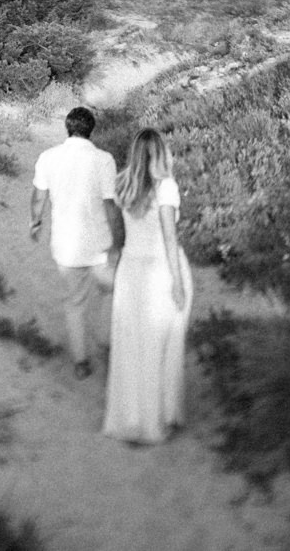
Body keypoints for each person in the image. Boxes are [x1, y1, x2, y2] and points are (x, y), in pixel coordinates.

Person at [103, 127, 193, 444]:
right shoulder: (165, 187)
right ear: (161, 152)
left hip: (131, 270)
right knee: (163, 346)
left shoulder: (122, 183)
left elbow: (119, 233)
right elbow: (170, 238)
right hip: (159, 271)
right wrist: (179, 284)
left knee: (132, 346)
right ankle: (158, 419)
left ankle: (132, 418)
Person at [30, 105, 122, 381]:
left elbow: (38, 197)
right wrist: (118, 239)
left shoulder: (48, 157)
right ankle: (105, 340)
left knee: (74, 302)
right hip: (98, 242)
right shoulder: (104, 160)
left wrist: (35, 222)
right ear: (91, 130)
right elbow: (110, 203)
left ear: (67, 128)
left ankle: (81, 361)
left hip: (66, 243)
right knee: (112, 290)